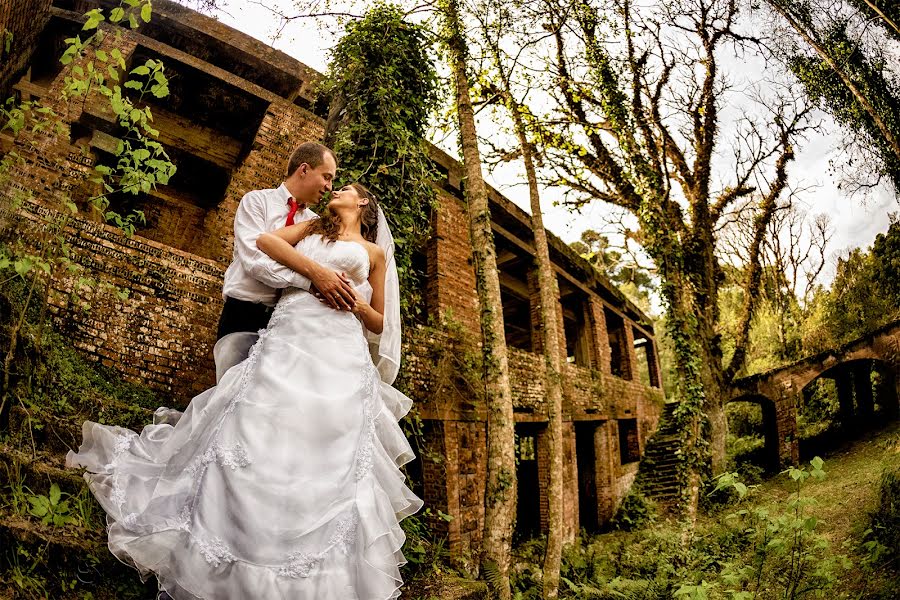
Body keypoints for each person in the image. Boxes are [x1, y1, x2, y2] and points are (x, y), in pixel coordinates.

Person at [66, 183, 422, 599]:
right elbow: (266, 241)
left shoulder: (375, 253)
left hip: (340, 346)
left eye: (344, 187)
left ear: (362, 202)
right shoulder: (310, 229)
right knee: (259, 424)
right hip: (291, 332)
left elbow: (379, 321)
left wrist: (353, 301)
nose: (336, 189)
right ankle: (229, 539)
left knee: (325, 441)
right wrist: (317, 274)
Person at [215, 141, 357, 380]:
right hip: (242, 310)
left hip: (285, 323)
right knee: (228, 395)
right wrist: (311, 280)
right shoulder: (256, 202)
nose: (329, 187)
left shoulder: (315, 222)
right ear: (304, 169)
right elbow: (254, 261)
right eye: (327, 177)